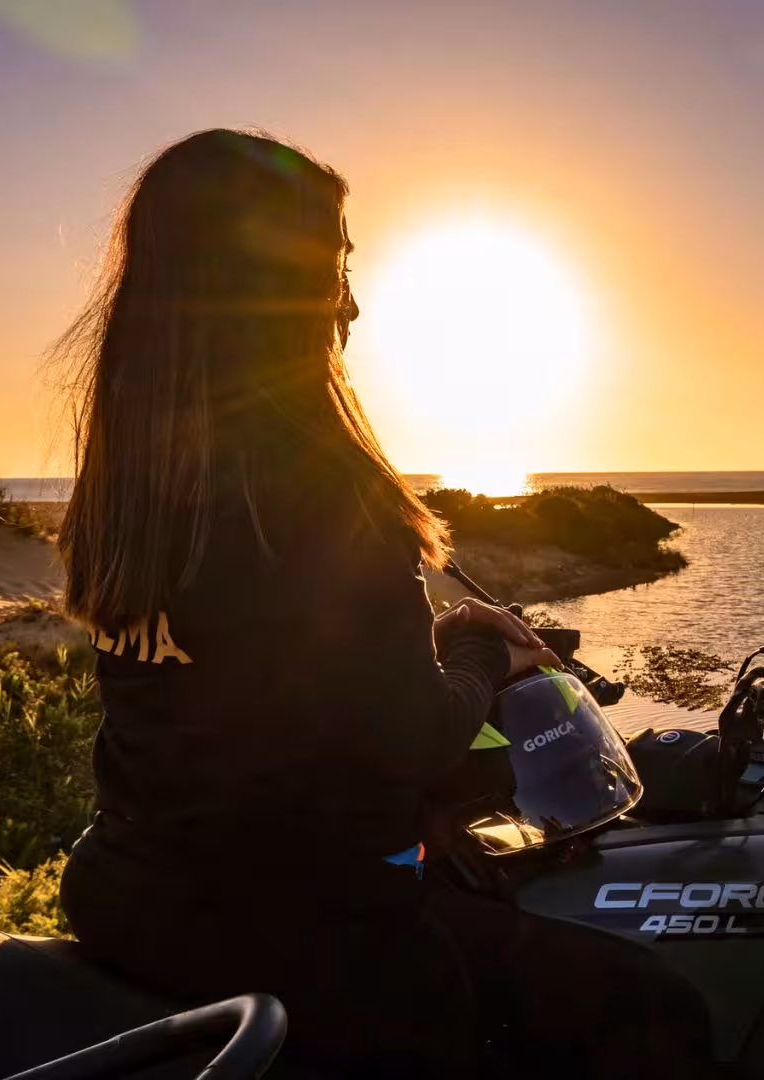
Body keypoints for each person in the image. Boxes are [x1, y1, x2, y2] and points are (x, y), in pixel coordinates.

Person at [54, 128, 714, 1078]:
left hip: (134, 890)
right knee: (654, 1010)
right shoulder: (313, 484)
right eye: (333, 266)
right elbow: (407, 739)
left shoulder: (132, 478)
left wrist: (421, 640)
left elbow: (252, 676)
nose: (352, 303)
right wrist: (486, 658)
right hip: (306, 930)